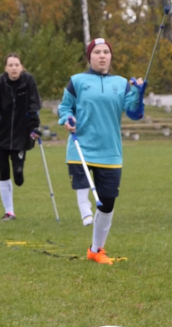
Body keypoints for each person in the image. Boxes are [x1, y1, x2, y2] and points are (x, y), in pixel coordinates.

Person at [58, 37, 146, 264]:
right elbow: (65, 107)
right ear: (90, 56)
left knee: (107, 204)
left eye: (106, 52)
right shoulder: (76, 81)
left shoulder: (121, 83)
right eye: (97, 52)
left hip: (110, 153)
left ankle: (96, 250)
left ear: (111, 56)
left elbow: (134, 113)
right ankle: (85, 211)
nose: (102, 56)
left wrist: (139, 95)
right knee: (82, 185)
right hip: (81, 148)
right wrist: (67, 118)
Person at [0, 53, 42, 221]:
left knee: (18, 175)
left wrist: (35, 127)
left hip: (21, 134)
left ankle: (19, 172)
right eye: (10, 65)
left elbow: (34, 104)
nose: (14, 68)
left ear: (21, 66)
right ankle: (9, 211)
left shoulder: (28, 81)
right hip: (0, 134)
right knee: (3, 172)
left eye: (17, 64)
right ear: (6, 68)